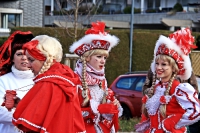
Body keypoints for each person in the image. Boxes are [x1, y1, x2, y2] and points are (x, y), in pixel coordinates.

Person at [12, 35, 86, 133]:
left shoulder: (48, 83)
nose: (28, 65)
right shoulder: (64, 76)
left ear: (45, 59)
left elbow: (33, 125)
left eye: (31, 60)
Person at [135, 28, 200, 133]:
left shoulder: (180, 89)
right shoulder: (155, 88)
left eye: (164, 64)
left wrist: (173, 124)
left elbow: (196, 111)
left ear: (173, 68)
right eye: (157, 63)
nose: (159, 67)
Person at [69, 21, 123, 133]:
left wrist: (112, 106)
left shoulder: (102, 81)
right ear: (87, 58)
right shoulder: (74, 80)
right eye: (99, 56)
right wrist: (97, 109)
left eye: (105, 57)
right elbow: (70, 113)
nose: (103, 61)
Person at [0, 31, 34, 133]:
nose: (24, 57)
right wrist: (30, 118)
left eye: (27, 54)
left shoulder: (43, 80)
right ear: (12, 58)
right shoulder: (3, 81)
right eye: (19, 54)